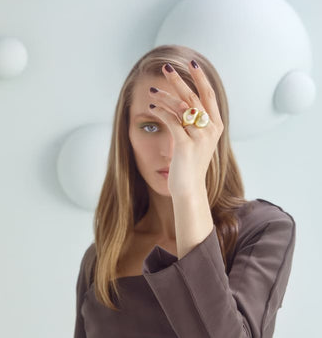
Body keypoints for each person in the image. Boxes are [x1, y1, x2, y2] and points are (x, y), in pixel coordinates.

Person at [73, 44, 296, 338]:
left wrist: (188, 190)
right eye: (151, 127)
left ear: (214, 130)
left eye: (186, 122)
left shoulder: (262, 230)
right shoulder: (101, 258)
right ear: (126, 134)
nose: (169, 151)